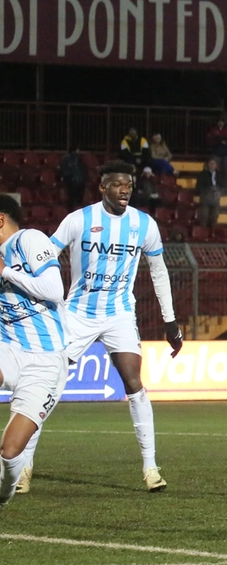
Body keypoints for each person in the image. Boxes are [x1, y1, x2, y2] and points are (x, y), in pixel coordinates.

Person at [19, 162, 183, 494]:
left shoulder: (144, 224)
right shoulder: (79, 220)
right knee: (46, 383)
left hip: (119, 314)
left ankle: (151, 468)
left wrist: (170, 320)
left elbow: (159, 271)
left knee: (135, 382)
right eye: (118, 184)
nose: (125, 190)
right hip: (77, 314)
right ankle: (23, 467)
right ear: (102, 187)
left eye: (129, 185)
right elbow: (47, 255)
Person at [0, 195, 69, 510]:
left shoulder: (28, 239)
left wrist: (7, 273)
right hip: (9, 349)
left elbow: (55, 290)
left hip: (46, 360)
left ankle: (5, 492)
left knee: (11, 451)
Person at [205, 118, 227, 185]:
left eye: (222, 122)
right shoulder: (213, 130)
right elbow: (209, 140)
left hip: (226, 153)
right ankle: (215, 183)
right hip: (216, 152)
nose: (221, 123)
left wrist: (226, 142)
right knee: (215, 170)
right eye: (219, 121)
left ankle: (225, 185)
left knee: (226, 170)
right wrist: (219, 141)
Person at [195, 159, 222, 228]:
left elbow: (224, 186)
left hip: (216, 197)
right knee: (204, 215)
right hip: (205, 196)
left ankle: (213, 231)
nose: (212, 165)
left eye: (214, 164)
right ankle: (203, 231)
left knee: (215, 215)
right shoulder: (202, 174)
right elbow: (199, 186)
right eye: (211, 164)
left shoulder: (219, 175)